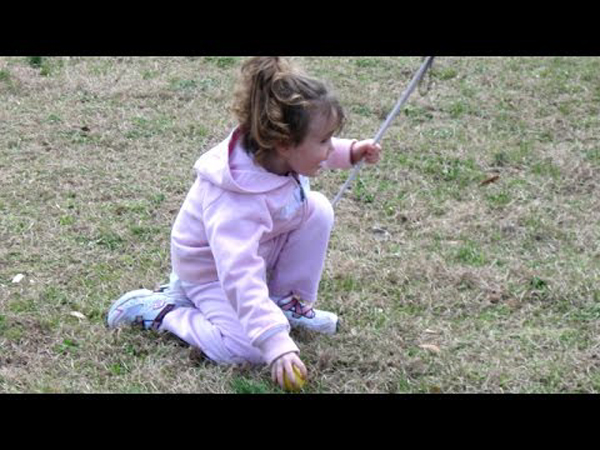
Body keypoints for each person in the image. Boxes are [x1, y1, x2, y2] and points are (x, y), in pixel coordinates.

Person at [107, 57, 382, 390]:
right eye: (324, 141)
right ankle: (163, 310)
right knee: (248, 349)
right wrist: (273, 342)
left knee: (317, 209)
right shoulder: (235, 199)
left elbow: (309, 149)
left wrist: (350, 152)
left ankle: (285, 303)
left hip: (263, 241)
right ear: (283, 143)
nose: (329, 149)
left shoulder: (278, 153)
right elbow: (239, 274)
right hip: (213, 273)